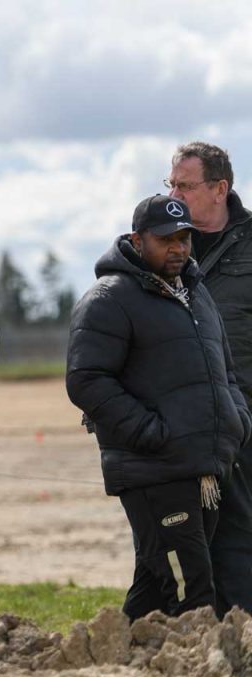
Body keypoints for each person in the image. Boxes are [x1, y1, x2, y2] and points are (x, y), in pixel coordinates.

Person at [66, 194, 251, 621]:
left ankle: (114, 656)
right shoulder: (109, 298)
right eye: (166, 239)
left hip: (204, 468)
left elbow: (226, 372)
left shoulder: (197, 294)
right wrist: (154, 433)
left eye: (185, 237)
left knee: (155, 584)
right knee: (192, 590)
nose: (178, 248)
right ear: (138, 239)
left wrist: (235, 421)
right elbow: (86, 379)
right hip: (155, 471)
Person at [165, 142, 252, 616]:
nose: (176, 194)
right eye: (171, 184)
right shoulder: (157, 244)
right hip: (180, 423)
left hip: (244, 417)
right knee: (180, 537)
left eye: (186, 185)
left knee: (240, 534)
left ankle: (237, 629)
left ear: (220, 189)